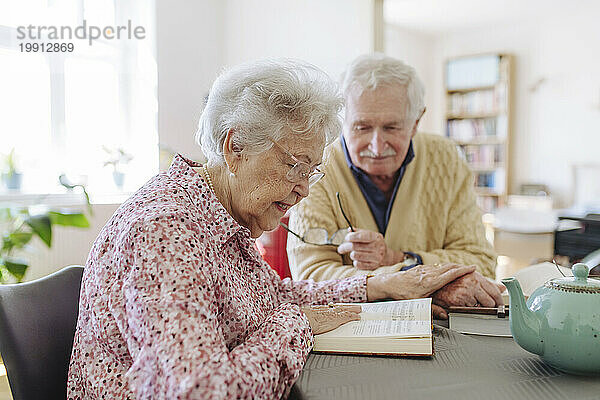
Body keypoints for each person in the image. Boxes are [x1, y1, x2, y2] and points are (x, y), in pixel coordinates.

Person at [67, 59, 479, 399]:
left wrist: (376, 286)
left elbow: (270, 292)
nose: (303, 188)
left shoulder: (216, 209)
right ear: (235, 147)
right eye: (294, 166)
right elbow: (200, 393)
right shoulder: (165, 230)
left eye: (312, 171)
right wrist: (300, 322)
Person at [287, 54, 503, 311]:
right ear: (343, 122)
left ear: (416, 122)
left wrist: (397, 259)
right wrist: (423, 285)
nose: (377, 146)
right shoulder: (317, 164)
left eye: (391, 128)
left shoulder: (446, 158)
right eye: (362, 127)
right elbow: (310, 278)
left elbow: (480, 260)